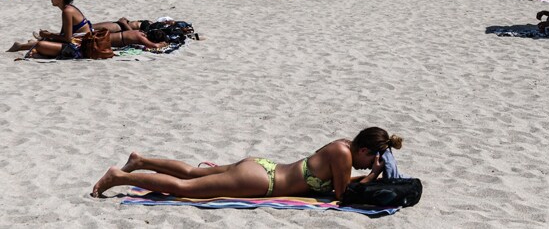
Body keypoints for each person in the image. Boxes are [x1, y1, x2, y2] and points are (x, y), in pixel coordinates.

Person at [91, 127, 403, 199]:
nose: (368, 164)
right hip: (262, 181)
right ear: (363, 150)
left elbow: (341, 183)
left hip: (262, 167)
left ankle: (140, 159)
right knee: (186, 187)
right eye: (371, 159)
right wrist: (371, 178)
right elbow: (339, 194)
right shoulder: (343, 155)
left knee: (192, 173)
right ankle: (120, 177)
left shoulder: (342, 148)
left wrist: (369, 176)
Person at [7, 0, 92, 58]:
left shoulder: (67, 12)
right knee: (47, 40)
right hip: (79, 42)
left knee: (41, 45)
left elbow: (67, 38)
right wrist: (49, 35)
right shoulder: (69, 9)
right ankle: (22, 46)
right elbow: (64, 34)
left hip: (79, 46)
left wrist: (49, 35)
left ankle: (24, 47)